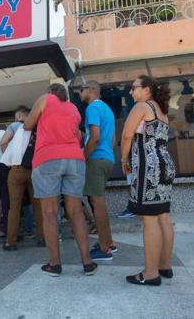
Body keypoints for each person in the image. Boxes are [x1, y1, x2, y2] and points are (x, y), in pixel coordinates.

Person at [24, 83, 97, 277]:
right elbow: (77, 134)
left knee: (49, 213)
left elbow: (27, 124)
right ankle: (87, 262)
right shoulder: (73, 108)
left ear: (50, 93)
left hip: (48, 159)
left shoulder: (45, 99)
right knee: (76, 212)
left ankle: (55, 265)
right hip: (74, 159)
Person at [121, 75, 176, 286]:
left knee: (149, 219)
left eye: (133, 87)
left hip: (149, 166)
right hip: (165, 165)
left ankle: (151, 273)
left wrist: (124, 158)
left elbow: (127, 135)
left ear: (146, 90)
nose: (131, 92)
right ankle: (164, 265)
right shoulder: (161, 112)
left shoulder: (142, 107)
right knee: (163, 215)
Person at [80, 81, 117, 261]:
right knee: (99, 201)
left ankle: (104, 248)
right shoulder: (107, 109)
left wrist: (82, 157)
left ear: (92, 90)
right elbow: (112, 140)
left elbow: (94, 137)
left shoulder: (92, 108)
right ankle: (109, 241)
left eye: (82, 89)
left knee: (97, 203)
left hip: (96, 159)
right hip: (107, 158)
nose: (80, 93)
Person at [1, 106, 45, 250]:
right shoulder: (38, 126)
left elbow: (3, 142)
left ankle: (10, 242)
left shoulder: (16, 126)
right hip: (34, 169)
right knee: (38, 205)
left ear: (21, 115)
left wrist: (9, 159)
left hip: (17, 169)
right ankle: (42, 238)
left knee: (14, 207)